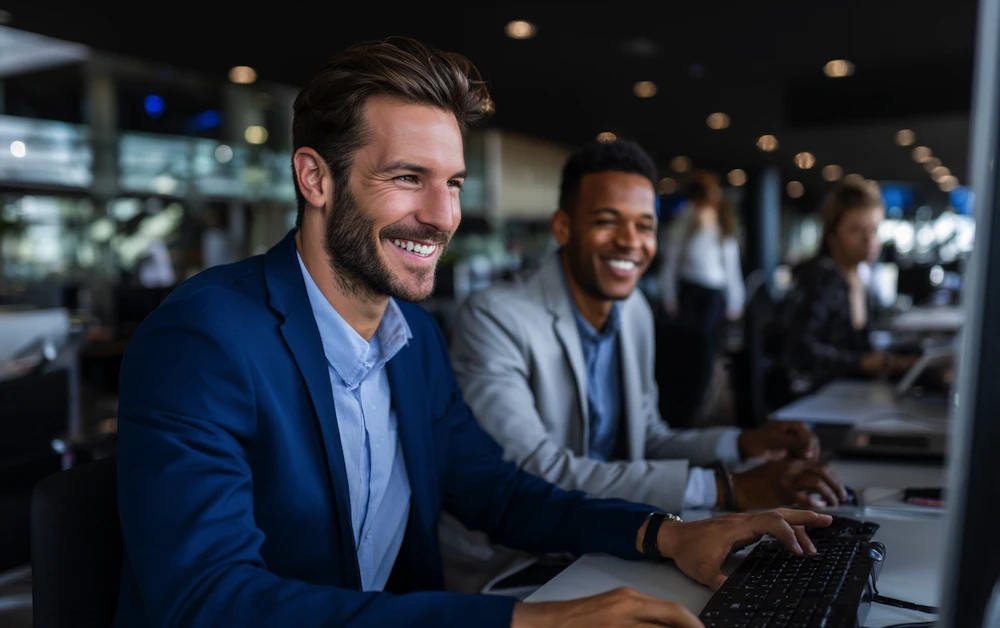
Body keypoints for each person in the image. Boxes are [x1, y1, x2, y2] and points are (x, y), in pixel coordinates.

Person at [114, 37, 831, 628]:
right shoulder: (204, 338)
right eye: (407, 177)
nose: (441, 215)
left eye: (452, 182)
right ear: (315, 178)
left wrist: (665, 533)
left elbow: (499, 493)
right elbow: (206, 600)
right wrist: (529, 622)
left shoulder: (412, 339)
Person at [444, 140, 845, 593]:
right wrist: (726, 488)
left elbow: (650, 438)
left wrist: (743, 440)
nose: (630, 242)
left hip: (608, 542)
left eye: (644, 225)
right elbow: (537, 473)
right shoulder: (495, 316)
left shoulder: (632, 308)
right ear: (562, 227)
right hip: (517, 563)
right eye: (606, 221)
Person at [781, 179, 917, 394]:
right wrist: (864, 363)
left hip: (850, 393)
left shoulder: (858, 276)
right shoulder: (818, 278)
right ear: (832, 236)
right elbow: (802, 352)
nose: (869, 240)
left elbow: (861, 348)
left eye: (874, 229)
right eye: (856, 230)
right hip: (815, 398)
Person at [658, 170, 746, 423]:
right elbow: (671, 266)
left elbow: (731, 269)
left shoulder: (722, 225)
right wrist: (669, 298)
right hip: (690, 294)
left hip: (714, 297)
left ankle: (704, 408)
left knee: (709, 354)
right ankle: (686, 409)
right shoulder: (683, 223)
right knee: (686, 354)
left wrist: (735, 300)